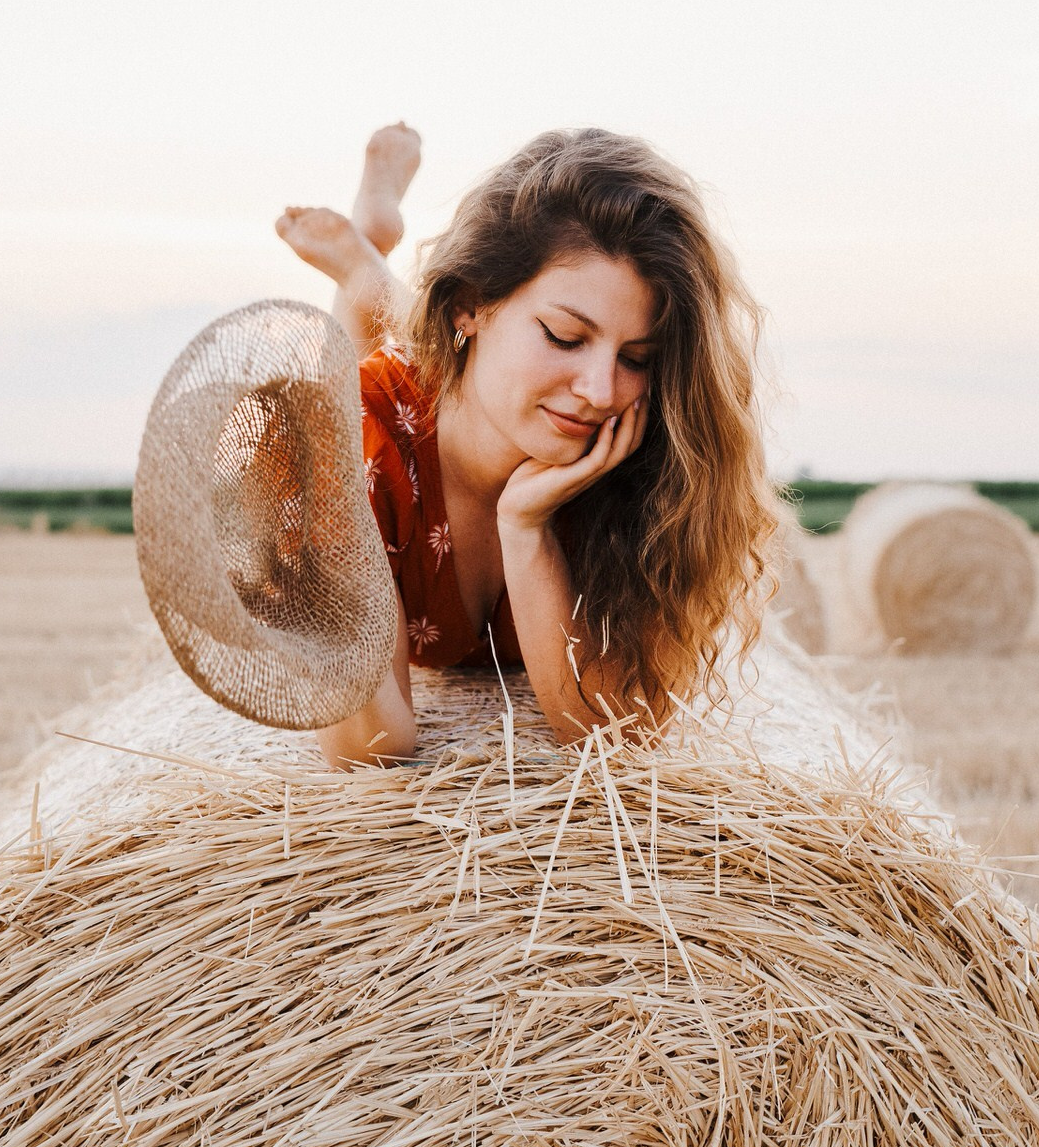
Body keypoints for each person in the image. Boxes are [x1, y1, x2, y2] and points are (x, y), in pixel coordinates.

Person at [277, 123, 776, 768]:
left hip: (465, 391)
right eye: (565, 337)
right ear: (469, 305)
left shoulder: (653, 464)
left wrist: (526, 527)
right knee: (341, 392)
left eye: (638, 356)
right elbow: (368, 750)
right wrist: (324, 525)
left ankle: (369, 254)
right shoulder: (364, 454)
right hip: (399, 414)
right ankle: (367, 255)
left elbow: (611, 737)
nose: (600, 392)